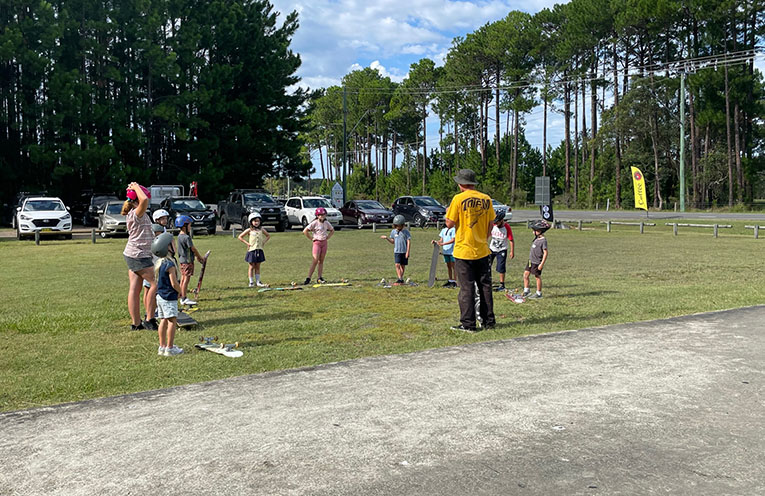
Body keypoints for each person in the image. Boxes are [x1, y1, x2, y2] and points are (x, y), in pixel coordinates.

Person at [444, 169, 496, 332]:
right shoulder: (486, 199)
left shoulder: (458, 198)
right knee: (485, 287)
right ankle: (488, 321)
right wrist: (484, 238)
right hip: (482, 249)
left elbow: (449, 223)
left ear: (461, 184)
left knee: (466, 288)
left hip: (463, 250)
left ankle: (468, 323)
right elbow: (491, 223)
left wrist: (447, 213)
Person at [122, 183, 158, 331]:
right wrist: (136, 186)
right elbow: (144, 200)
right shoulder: (137, 213)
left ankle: (136, 324)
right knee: (155, 284)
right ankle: (149, 319)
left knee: (135, 289)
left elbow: (143, 200)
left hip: (133, 254)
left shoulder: (134, 213)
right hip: (139, 255)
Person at [151, 232, 183, 356]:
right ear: (167, 247)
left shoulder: (159, 263)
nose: (175, 246)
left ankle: (162, 346)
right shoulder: (170, 265)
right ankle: (170, 348)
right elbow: (174, 283)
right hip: (169, 297)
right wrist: (181, 292)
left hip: (160, 297)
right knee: (172, 321)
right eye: (172, 244)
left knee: (163, 320)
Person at [176, 215, 205, 305]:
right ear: (184, 225)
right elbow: (193, 249)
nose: (190, 227)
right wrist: (199, 257)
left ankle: (181, 295)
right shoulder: (186, 237)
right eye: (189, 225)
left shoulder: (179, 236)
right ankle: (184, 298)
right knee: (186, 279)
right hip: (187, 261)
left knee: (183, 278)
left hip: (182, 261)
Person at [237, 212, 270, 287]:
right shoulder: (249, 230)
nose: (256, 223)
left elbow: (268, 236)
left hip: (259, 250)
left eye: (258, 221)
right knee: (251, 266)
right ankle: (251, 282)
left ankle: (258, 281)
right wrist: (247, 243)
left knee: (257, 266)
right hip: (252, 250)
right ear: (251, 222)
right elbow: (240, 237)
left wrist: (263, 242)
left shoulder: (261, 229)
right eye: (255, 221)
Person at [303, 207, 334, 285]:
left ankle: (319, 277)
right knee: (315, 260)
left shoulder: (326, 223)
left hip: (324, 243)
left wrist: (328, 237)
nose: (322, 216)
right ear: (317, 215)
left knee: (321, 260)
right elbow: (305, 231)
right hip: (317, 242)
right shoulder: (314, 223)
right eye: (320, 215)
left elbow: (332, 230)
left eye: (323, 215)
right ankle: (308, 278)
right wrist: (311, 238)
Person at [523, 220, 550, 299]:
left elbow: (545, 253)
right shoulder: (536, 238)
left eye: (534, 231)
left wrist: (541, 264)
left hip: (537, 262)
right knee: (525, 275)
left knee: (537, 276)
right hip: (530, 261)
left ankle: (538, 293)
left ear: (539, 231)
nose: (533, 232)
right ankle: (526, 290)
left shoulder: (543, 240)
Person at [381, 214, 411, 284]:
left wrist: (407, 252)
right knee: (397, 265)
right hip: (397, 251)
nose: (398, 227)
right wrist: (387, 238)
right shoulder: (393, 232)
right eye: (396, 225)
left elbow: (408, 242)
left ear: (402, 225)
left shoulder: (406, 232)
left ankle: (400, 279)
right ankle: (400, 278)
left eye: (399, 225)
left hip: (404, 251)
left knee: (402, 265)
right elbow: (392, 241)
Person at [489, 210, 514, 292]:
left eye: (497, 222)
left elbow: (511, 240)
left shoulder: (506, 227)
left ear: (502, 220)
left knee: (501, 267)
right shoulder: (493, 225)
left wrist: (512, 251)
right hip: (492, 248)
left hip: (502, 249)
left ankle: (502, 284)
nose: (496, 224)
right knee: (487, 265)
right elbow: (487, 234)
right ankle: (488, 281)